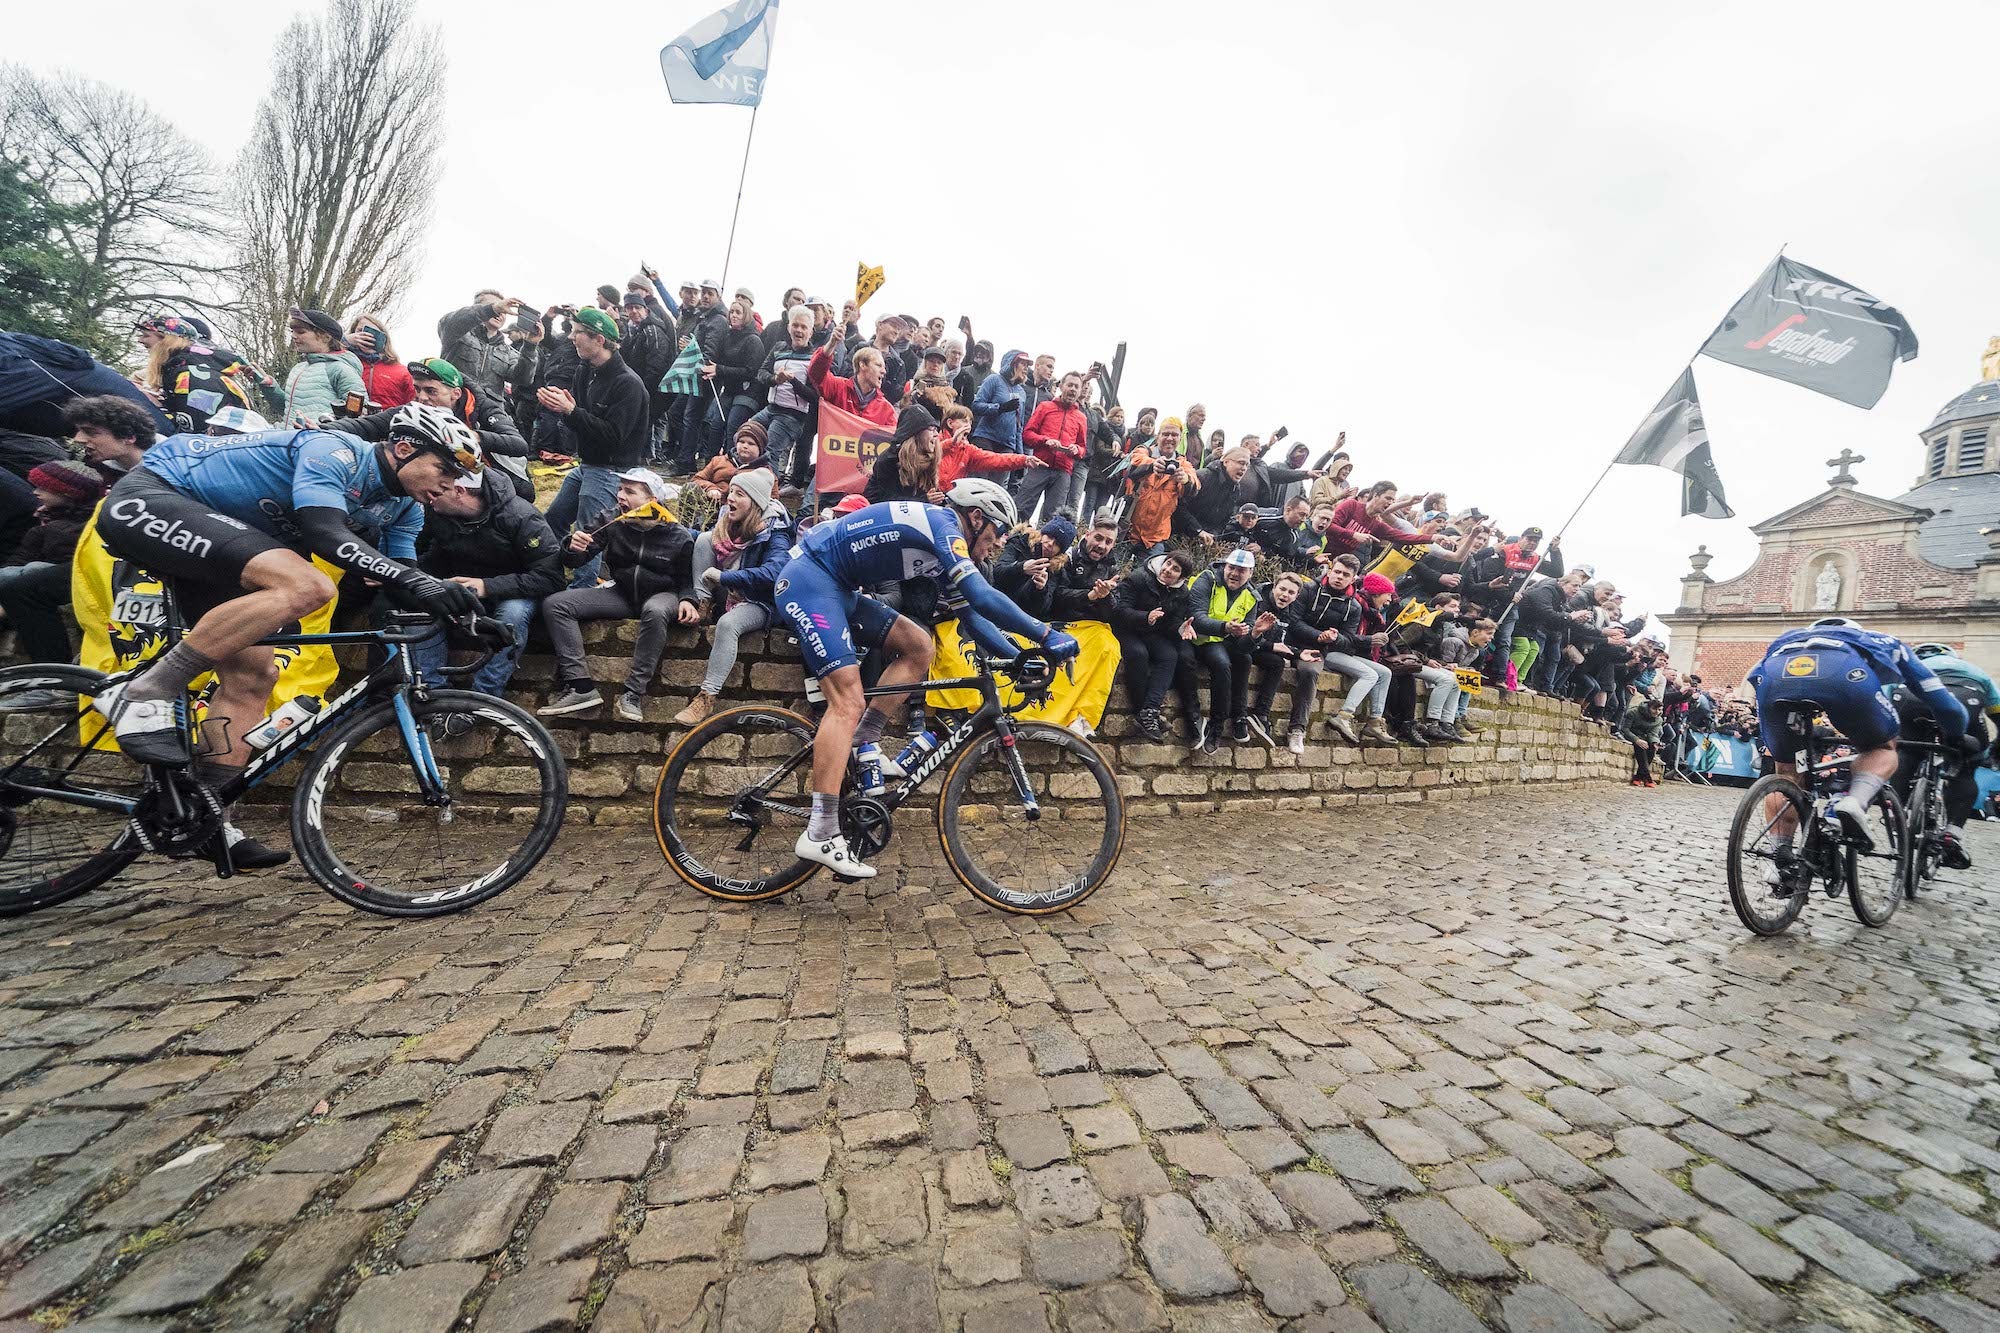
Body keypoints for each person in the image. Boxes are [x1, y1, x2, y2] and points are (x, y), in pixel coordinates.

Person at [87, 405, 484, 866]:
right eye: (445, 468)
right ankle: (143, 692)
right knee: (310, 585)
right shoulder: (333, 450)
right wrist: (418, 583)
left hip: (217, 541)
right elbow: (323, 531)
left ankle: (207, 820)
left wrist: (469, 619)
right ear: (403, 448)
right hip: (156, 497)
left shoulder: (403, 511)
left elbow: (405, 580)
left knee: (254, 678)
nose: (452, 484)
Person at [772, 480, 1077, 876]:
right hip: (809, 580)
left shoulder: (944, 551)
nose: (1001, 543)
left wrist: (1020, 657)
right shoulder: (941, 523)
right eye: (999, 531)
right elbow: (984, 596)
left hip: (838, 587)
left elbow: (972, 615)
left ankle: (865, 737)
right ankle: (821, 830)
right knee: (846, 702)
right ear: (977, 517)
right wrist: (1048, 635)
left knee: (920, 646)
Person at [1747, 618, 1968, 869]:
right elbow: (1938, 696)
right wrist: (1956, 733)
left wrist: (1796, 730)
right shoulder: (1879, 640)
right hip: (1846, 675)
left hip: (1775, 678)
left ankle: (1779, 862)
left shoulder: (1788, 638)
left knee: (1787, 772)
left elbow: (1755, 676)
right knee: (1881, 747)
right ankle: (1853, 802)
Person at [538, 468, 698, 723]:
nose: (620, 495)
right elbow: (577, 560)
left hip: (662, 595)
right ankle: (580, 687)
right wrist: (572, 546)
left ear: (652, 501)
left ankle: (634, 693)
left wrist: (689, 600)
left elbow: (687, 580)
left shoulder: (678, 535)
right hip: (621, 594)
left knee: (655, 611)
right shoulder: (611, 519)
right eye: (620, 489)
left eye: (629, 491)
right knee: (556, 605)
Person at [408, 464, 564, 712]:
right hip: (464, 587)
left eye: (437, 493)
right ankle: (433, 696)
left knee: (512, 616)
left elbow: (551, 577)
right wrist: (402, 572)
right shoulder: (437, 514)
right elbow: (432, 556)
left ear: (459, 491)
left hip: (517, 589)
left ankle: (483, 700)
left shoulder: (522, 516)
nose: (428, 498)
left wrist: (487, 586)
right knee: (421, 606)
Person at [677, 468, 793, 727]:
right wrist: (670, 530)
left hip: (761, 601)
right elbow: (698, 542)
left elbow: (776, 572)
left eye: (739, 494)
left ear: (754, 501)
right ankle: (703, 604)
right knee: (705, 539)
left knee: (728, 625)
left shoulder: (776, 531)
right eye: (731, 491)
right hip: (729, 593)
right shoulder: (727, 522)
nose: (730, 498)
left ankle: (707, 697)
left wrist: (724, 578)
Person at [541, 308, 649, 585]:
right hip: (587, 464)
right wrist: (566, 409)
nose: (571, 337)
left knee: (588, 534)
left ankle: (583, 589)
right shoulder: (584, 371)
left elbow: (614, 436)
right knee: (554, 518)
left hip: (611, 469)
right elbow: (579, 418)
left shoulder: (628, 384)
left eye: (577, 332)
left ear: (599, 339)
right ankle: (551, 574)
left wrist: (571, 411)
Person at [329, 357, 533, 501]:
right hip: (439, 484)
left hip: (500, 482)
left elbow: (518, 444)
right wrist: (324, 429)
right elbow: (368, 425)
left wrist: (473, 437)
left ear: (455, 393)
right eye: (417, 390)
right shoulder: (415, 410)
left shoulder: (483, 407)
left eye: (431, 391)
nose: (422, 398)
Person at [1900, 643, 2000, 869]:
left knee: (1905, 753)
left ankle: (1897, 813)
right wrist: (1993, 750)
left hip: (1911, 698)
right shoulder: (1974, 670)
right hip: (1966, 698)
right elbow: (1998, 714)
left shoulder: (1910, 665)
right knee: (1966, 768)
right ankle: (1952, 835)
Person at [0, 459, 105, 664]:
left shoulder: (80, 528)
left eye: (43, 488)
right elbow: (19, 558)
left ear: (67, 494)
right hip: (30, 581)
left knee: (32, 570)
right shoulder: (46, 523)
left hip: (71, 586)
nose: (34, 493)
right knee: (12, 574)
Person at [1291, 556, 1395, 746]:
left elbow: (1348, 639)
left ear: (1353, 578)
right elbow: (1294, 621)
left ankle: (1374, 721)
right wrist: (1319, 636)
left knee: (1385, 673)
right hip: (1311, 648)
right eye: (1337, 572)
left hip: (1333, 648)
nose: (1339, 577)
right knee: (1369, 675)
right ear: (1330, 570)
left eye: (1345, 575)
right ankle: (1343, 716)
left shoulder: (1353, 605)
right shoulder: (1309, 589)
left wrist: (1335, 638)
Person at [1110, 548, 1202, 744]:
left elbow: (1171, 622)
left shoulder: (1182, 593)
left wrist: (1180, 628)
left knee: (1169, 655)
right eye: (1168, 564)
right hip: (1126, 628)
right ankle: (1141, 710)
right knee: (1138, 654)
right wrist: (1145, 617)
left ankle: (1149, 710)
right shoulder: (1139, 578)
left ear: (1182, 577)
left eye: (1175, 569)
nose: (1168, 570)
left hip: (1152, 631)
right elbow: (1119, 610)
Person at [1186, 548, 1271, 751]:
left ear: (1250, 573)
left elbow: (1243, 647)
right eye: (1231, 567)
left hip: (1225, 641)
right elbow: (1195, 616)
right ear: (1224, 566)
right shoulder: (1207, 579)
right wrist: (1225, 627)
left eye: (1241, 570)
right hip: (1200, 640)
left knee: (1245, 660)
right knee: (1221, 662)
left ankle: (1239, 716)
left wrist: (1255, 634)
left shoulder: (1252, 596)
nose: (1234, 573)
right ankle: (1217, 724)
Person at [1247, 570, 1324, 753]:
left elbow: (1283, 644)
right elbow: (1248, 633)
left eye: (1291, 593)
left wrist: (1299, 654)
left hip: (1264, 649)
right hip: (1246, 645)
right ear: (1274, 587)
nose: (1285, 595)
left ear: (1296, 596)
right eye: (1282, 589)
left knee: (1277, 663)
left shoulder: (1290, 612)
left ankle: (1261, 715)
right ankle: (1244, 716)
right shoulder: (1257, 600)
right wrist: (1272, 646)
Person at [136, 315, 255, 434]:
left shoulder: (193, 375)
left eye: (146, 335)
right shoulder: (183, 369)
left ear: (167, 340)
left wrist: (153, 406)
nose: (140, 340)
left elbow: (195, 431)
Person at [438, 290, 544, 406]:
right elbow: (449, 323)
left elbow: (523, 379)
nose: (500, 312)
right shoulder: (456, 334)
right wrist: (491, 309)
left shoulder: (508, 352)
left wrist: (530, 346)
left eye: (503, 309)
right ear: (476, 308)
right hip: (453, 406)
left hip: (488, 414)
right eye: (496, 307)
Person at [269, 308, 364, 424]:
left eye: (300, 332)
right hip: (290, 438)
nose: (293, 336)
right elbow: (289, 409)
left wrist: (325, 430)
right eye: (292, 332)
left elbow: (358, 418)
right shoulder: (298, 368)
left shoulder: (340, 370)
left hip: (319, 440)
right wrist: (270, 387)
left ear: (325, 337)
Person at [1016, 370, 1088, 524]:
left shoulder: (1081, 417)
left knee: (1052, 519)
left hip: (1063, 472)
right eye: (1070, 385)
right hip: (1039, 465)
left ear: (1080, 391)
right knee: (1022, 509)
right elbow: (1027, 434)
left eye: (1077, 386)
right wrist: (1045, 440)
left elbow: (1083, 448)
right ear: (1061, 386)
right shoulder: (1045, 407)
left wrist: (1076, 449)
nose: (1073, 389)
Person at [1123, 417, 1198, 555]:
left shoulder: (1183, 464)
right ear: (1158, 436)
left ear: (1180, 439)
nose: (1169, 438)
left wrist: (1185, 480)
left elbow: (1195, 486)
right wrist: (1152, 466)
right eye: (1165, 434)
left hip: (1155, 538)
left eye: (1174, 435)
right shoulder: (1144, 452)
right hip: (1127, 530)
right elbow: (1133, 467)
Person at [62, 394, 156, 479]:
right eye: (79, 431)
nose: (78, 439)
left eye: (90, 432)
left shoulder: (164, 472)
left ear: (128, 437)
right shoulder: (99, 471)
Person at [347, 315, 414, 409]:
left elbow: (414, 406)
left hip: (387, 421)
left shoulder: (403, 372)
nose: (366, 335)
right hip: (350, 421)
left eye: (372, 331)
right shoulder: (346, 363)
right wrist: (345, 341)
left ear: (383, 337)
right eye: (360, 331)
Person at [1624, 694, 1663, 786]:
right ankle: (1648, 778)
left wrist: (1654, 742)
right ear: (1648, 707)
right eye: (1654, 709)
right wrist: (1636, 739)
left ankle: (1638, 777)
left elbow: (1653, 733)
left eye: (1659, 710)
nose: (1657, 712)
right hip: (1632, 734)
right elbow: (1625, 728)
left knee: (1651, 749)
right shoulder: (1634, 712)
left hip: (1645, 737)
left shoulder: (1658, 720)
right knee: (1640, 748)